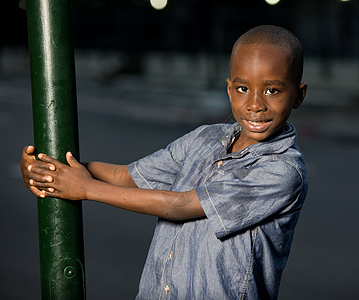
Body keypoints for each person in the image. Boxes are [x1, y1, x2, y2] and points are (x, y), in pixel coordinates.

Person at [20, 25, 308, 299]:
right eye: (244, 89)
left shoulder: (282, 171)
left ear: (298, 95)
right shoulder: (205, 139)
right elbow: (124, 176)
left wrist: (85, 189)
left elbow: (182, 205)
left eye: (272, 90)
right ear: (230, 90)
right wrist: (50, 171)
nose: (255, 104)